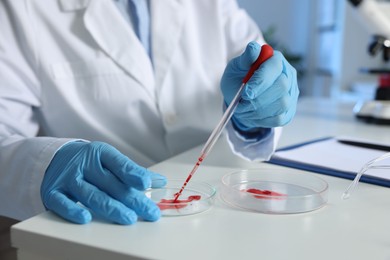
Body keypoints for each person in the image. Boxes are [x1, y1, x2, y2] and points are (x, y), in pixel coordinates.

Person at [0, 0, 299, 228]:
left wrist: (251, 115)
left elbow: (259, 69)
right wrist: (46, 164)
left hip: (221, 208)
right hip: (109, 221)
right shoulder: (21, 9)